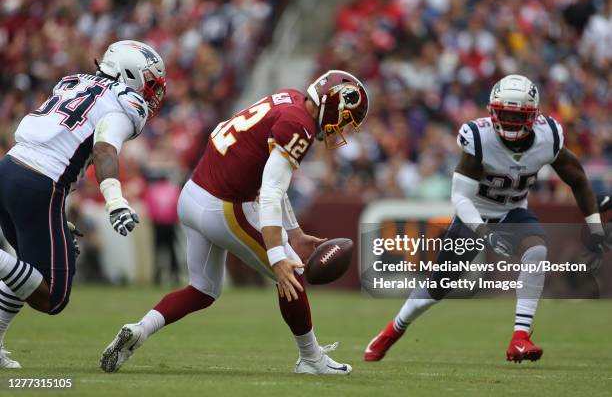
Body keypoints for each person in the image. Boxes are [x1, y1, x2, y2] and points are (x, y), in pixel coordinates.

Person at [100, 70, 369, 375]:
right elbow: (270, 192)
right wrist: (278, 255)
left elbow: (271, 177)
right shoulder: (299, 126)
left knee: (203, 289)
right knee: (292, 271)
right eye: (345, 118)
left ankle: (140, 329)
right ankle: (311, 359)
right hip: (224, 206)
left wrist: (293, 232)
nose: (342, 128)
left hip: (192, 194)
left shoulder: (290, 99)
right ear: (333, 103)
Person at [364, 74, 610, 363]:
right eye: (502, 113)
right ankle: (394, 329)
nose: (507, 121)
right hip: (475, 214)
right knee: (440, 284)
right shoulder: (479, 139)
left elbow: (578, 180)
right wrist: (485, 233)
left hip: (512, 211)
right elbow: (460, 198)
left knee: (537, 250)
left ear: (533, 116)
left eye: (515, 115)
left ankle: (520, 338)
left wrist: (594, 227)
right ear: (492, 111)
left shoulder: (548, 137)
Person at [0, 40, 166, 368]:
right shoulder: (126, 102)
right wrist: (116, 200)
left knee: (29, 273)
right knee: (54, 295)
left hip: (10, 168)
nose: (152, 93)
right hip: (39, 183)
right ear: (130, 73)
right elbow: (105, 149)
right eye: (150, 82)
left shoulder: (75, 81)